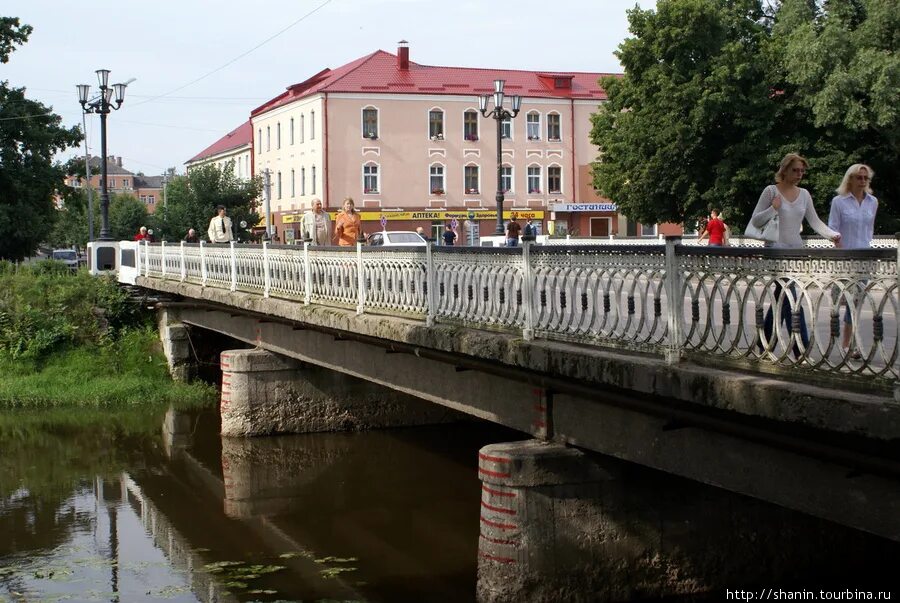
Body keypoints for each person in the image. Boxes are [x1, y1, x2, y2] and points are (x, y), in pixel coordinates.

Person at [750, 153, 841, 358]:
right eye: (795, 170)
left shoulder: (805, 195)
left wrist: (833, 235)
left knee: (782, 299)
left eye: (802, 171)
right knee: (791, 297)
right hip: (775, 250)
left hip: (795, 252)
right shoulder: (771, 191)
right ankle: (801, 348)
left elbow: (815, 222)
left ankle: (764, 342)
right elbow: (756, 221)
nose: (800, 174)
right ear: (784, 170)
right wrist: (773, 208)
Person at [829, 163, 878, 359]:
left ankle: (849, 345)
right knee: (840, 303)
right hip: (844, 259)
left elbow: (869, 230)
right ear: (850, 179)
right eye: (859, 177)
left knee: (855, 304)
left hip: (864, 259)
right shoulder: (839, 202)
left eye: (866, 178)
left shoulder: (873, 202)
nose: (863, 181)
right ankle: (838, 341)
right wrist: (839, 248)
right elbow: (832, 229)